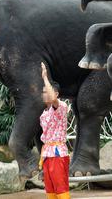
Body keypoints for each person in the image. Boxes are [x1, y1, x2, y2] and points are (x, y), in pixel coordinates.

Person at [39, 62, 71, 199]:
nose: (45, 94)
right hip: (47, 154)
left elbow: (53, 99)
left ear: (56, 93)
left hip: (58, 154)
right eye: (43, 92)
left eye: (47, 91)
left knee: (61, 189)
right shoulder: (44, 113)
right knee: (50, 191)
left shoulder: (61, 107)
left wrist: (45, 78)